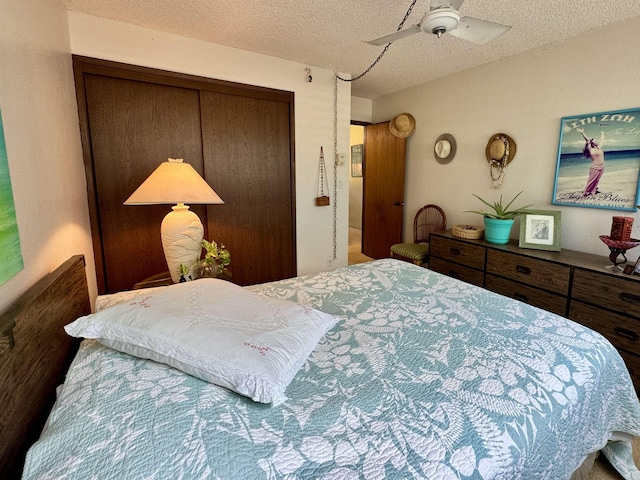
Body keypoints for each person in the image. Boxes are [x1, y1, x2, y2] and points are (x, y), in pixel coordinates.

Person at [577, 127, 605, 196]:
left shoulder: (599, 147)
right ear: (592, 143)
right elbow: (587, 140)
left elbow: (602, 140)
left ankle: (593, 191)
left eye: (596, 140)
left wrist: (602, 134)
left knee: (597, 180)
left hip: (603, 166)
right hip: (595, 167)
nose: (597, 141)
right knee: (591, 180)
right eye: (595, 140)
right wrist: (582, 132)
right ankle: (585, 192)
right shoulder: (591, 149)